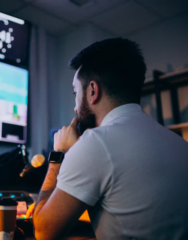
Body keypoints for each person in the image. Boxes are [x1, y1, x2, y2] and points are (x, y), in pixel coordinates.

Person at [33, 38, 188, 240]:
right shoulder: (179, 143)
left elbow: (43, 232)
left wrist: (58, 155)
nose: (75, 107)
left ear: (93, 91)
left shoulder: (95, 143)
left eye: (75, 92)